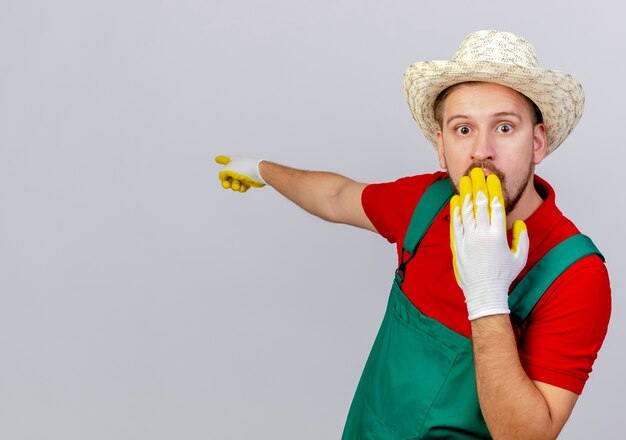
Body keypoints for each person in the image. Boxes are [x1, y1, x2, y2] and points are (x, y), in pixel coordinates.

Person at [214, 30, 611, 439]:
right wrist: (260, 169)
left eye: (505, 128)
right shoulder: (426, 202)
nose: (481, 150)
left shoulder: (575, 275)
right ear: (441, 147)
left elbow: (525, 437)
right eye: (463, 129)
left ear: (538, 142)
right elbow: (336, 196)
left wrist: (486, 295)